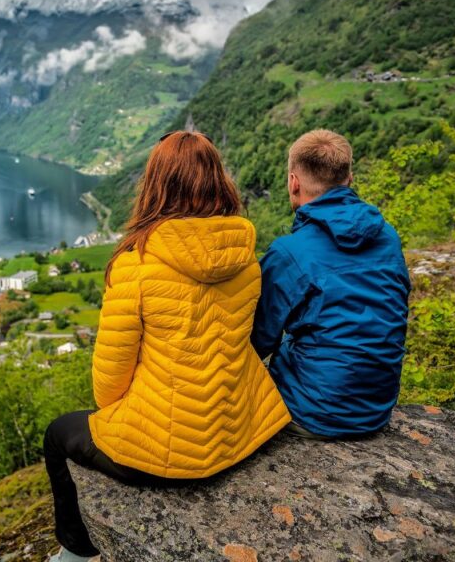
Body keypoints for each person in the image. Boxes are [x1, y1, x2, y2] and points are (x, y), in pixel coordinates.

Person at [43, 131, 291, 562]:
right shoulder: (246, 258)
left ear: (156, 184)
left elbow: (109, 386)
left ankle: (77, 553)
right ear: (218, 180)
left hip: (167, 454)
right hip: (237, 433)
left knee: (57, 434)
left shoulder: (136, 265)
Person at [251, 129, 410, 440]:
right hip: (377, 410)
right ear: (349, 178)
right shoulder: (388, 236)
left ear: (293, 182)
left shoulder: (289, 253)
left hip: (312, 414)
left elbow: (258, 340)